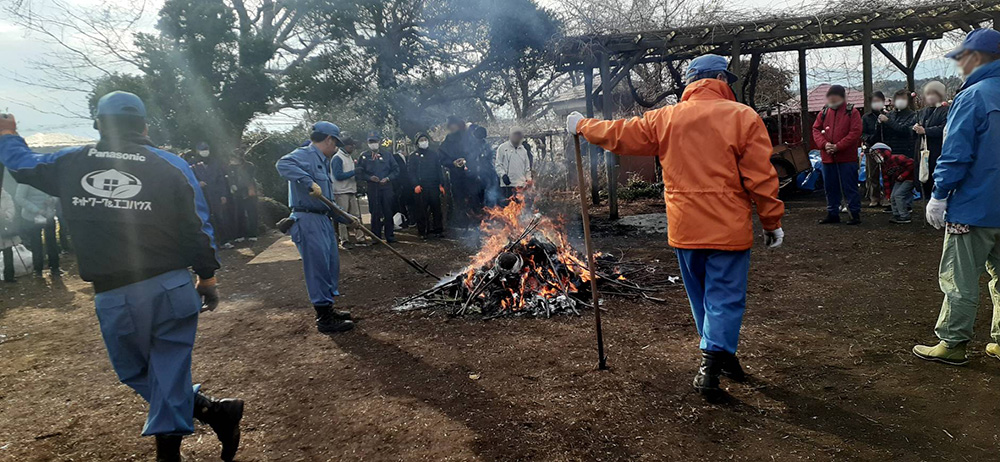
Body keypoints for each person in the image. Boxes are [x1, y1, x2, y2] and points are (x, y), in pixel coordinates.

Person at [0, 92, 242, 462]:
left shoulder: (70, 162)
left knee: (144, 371)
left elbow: (22, 164)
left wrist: (8, 135)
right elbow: (198, 226)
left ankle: (172, 452)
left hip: (112, 292)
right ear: (144, 126)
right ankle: (213, 412)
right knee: (160, 371)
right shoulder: (170, 164)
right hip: (169, 287)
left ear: (98, 125)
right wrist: (207, 279)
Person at [566, 54, 785, 398]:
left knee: (700, 297)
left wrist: (582, 125)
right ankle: (713, 360)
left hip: (685, 230)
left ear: (691, 82)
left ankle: (720, 353)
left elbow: (619, 133)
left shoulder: (666, 119)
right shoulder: (743, 117)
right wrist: (771, 222)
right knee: (724, 297)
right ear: (721, 79)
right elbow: (761, 178)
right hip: (728, 230)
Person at [914, 29, 1000, 366]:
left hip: (972, 207)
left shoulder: (973, 96)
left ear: (976, 58)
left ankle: (953, 342)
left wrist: (938, 195)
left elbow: (956, 154)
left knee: (959, 278)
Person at [276, 122, 357, 334]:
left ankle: (328, 308)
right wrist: (308, 182)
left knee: (330, 264)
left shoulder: (323, 161)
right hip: (307, 219)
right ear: (329, 139)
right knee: (318, 268)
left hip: (322, 219)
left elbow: (327, 201)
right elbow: (282, 164)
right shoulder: (306, 154)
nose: (337, 147)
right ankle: (324, 318)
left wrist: (347, 218)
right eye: (336, 142)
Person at [812, 84, 862, 225]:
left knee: (849, 186)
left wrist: (838, 146)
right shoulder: (823, 113)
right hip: (828, 157)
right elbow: (816, 129)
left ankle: (854, 213)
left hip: (847, 157)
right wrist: (824, 144)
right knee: (830, 186)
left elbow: (855, 132)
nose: (832, 102)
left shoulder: (852, 112)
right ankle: (832, 212)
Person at [356, 132, 399, 242]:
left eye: (375, 141)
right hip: (372, 187)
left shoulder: (387, 155)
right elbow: (359, 172)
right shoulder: (364, 156)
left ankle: (390, 236)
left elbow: (396, 170)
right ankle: (376, 237)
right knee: (374, 212)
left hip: (386, 187)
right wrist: (369, 178)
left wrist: (388, 178)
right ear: (367, 143)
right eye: (371, 142)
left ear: (379, 142)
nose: (373, 144)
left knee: (388, 211)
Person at [191, 142, 235, 248]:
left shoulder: (215, 163)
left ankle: (224, 241)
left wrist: (223, 195)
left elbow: (221, 180)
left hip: (215, 194)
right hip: (201, 196)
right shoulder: (192, 163)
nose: (205, 151)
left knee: (219, 218)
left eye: (206, 149)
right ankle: (210, 243)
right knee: (205, 219)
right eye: (202, 149)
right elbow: (188, 178)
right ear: (197, 151)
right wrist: (197, 183)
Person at [439, 116, 478, 229]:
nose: (452, 127)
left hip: (471, 175)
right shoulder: (448, 140)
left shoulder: (469, 138)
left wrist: (466, 161)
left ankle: (475, 223)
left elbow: (476, 153)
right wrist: (453, 163)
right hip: (456, 176)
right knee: (459, 201)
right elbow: (442, 157)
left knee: (473, 198)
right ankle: (462, 225)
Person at [13, 181, 60, 276]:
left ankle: (55, 267)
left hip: (49, 215)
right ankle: (38, 269)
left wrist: (53, 200)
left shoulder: (48, 177)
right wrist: (37, 210)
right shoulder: (26, 180)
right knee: (36, 243)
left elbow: (57, 192)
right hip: (31, 217)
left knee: (52, 241)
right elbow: (19, 198)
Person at [913, 81, 950, 199]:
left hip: (937, 152)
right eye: (927, 94)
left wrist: (926, 131)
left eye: (933, 94)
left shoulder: (946, 111)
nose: (929, 97)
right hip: (923, 152)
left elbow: (944, 129)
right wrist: (915, 128)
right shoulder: (922, 112)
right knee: (924, 182)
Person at [408, 132, 445, 238]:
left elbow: (439, 170)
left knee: (436, 209)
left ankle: (438, 230)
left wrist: (441, 184)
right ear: (417, 143)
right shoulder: (413, 156)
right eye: (421, 140)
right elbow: (411, 172)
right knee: (421, 210)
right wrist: (415, 185)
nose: (424, 142)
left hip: (434, 186)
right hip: (421, 187)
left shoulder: (434, 154)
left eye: (425, 139)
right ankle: (423, 231)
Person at [331, 137, 365, 248]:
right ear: (344, 146)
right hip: (341, 191)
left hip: (350, 189)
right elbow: (338, 175)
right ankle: (344, 240)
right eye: (350, 145)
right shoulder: (337, 158)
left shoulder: (349, 158)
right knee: (343, 216)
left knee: (356, 216)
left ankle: (360, 238)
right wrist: (353, 172)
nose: (353, 147)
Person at [871, 143, 914, 224]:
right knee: (893, 196)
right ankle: (896, 214)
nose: (875, 157)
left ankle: (904, 216)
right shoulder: (884, 166)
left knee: (898, 195)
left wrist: (903, 175)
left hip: (909, 179)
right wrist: (888, 195)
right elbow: (886, 180)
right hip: (899, 180)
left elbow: (912, 164)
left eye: (877, 154)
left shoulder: (897, 158)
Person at [227, 150, 258, 243]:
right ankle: (240, 234)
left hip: (248, 191)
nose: (232, 159)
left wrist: (250, 189)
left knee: (251, 213)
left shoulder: (249, 166)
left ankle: (253, 234)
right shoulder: (230, 167)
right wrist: (231, 185)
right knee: (239, 213)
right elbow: (229, 178)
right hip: (237, 193)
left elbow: (250, 178)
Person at [862, 91, 887, 207]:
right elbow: (863, 134)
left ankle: (888, 197)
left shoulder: (888, 115)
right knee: (872, 174)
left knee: (888, 173)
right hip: (871, 148)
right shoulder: (866, 117)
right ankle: (874, 198)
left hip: (887, 148)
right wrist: (870, 139)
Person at [495, 126, 532, 201]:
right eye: (515, 135)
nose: (517, 137)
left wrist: (529, 180)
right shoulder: (502, 148)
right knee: (508, 209)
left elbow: (527, 168)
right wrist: (503, 175)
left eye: (519, 135)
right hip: (507, 185)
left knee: (521, 209)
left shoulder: (523, 150)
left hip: (521, 185)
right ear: (511, 135)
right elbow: (498, 165)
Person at [880, 89, 917, 158]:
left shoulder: (913, 115)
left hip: (906, 153)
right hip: (890, 152)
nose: (900, 101)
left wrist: (888, 121)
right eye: (898, 99)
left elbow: (904, 130)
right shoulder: (889, 114)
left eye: (903, 99)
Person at [0, 168, 20, 283]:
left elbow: (11, 208)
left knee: (8, 253)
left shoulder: (5, 195)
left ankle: (9, 276)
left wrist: (6, 216)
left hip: (5, 226)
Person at [392, 149, 413, 229]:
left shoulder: (408, 158)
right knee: (400, 204)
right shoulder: (396, 157)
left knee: (405, 204)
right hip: (400, 185)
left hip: (406, 186)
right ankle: (402, 222)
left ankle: (407, 220)